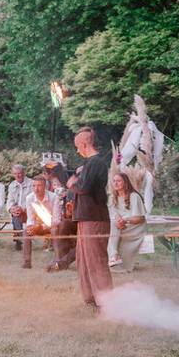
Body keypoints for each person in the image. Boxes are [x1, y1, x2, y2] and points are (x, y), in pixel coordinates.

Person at [68, 127, 113, 310]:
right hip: (85, 218)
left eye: (78, 146)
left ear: (84, 144)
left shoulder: (96, 163)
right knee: (83, 260)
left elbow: (84, 188)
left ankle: (108, 302)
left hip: (95, 219)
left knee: (96, 260)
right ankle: (90, 298)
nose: (77, 150)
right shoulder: (90, 164)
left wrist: (72, 183)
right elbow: (86, 183)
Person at [107, 173, 146, 273]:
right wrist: (119, 221)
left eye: (119, 181)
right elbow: (114, 216)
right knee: (111, 223)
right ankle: (114, 256)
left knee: (112, 225)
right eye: (114, 181)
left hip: (134, 226)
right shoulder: (112, 197)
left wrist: (125, 220)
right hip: (119, 226)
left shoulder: (134, 196)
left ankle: (113, 256)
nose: (116, 183)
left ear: (125, 183)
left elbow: (140, 218)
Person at [22, 176, 58, 269]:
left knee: (55, 231)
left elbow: (56, 219)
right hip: (37, 226)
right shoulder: (29, 198)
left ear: (45, 186)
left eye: (39, 186)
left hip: (51, 226)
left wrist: (42, 226)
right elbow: (30, 218)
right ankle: (27, 262)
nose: (36, 189)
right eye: (34, 186)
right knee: (26, 232)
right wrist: (30, 227)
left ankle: (58, 260)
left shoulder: (53, 197)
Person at [6, 164, 30, 251]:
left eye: (19, 173)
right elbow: (9, 200)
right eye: (15, 174)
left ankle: (18, 241)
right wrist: (11, 209)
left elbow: (33, 200)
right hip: (17, 212)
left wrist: (22, 208)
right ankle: (19, 241)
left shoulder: (31, 184)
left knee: (17, 215)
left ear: (24, 173)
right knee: (15, 216)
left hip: (29, 211)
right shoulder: (12, 185)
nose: (17, 176)